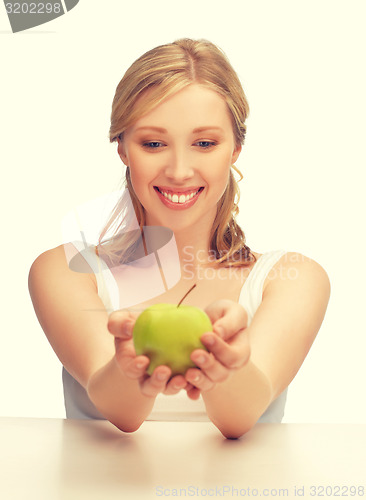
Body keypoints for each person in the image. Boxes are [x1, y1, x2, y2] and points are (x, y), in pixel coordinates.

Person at [28, 38, 331, 439]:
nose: (179, 170)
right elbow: (120, 412)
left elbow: (240, 418)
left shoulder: (294, 279)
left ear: (236, 148)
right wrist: (127, 367)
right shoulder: (66, 272)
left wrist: (224, 365)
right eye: (153, 143)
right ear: (121, 147)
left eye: (204, 143)